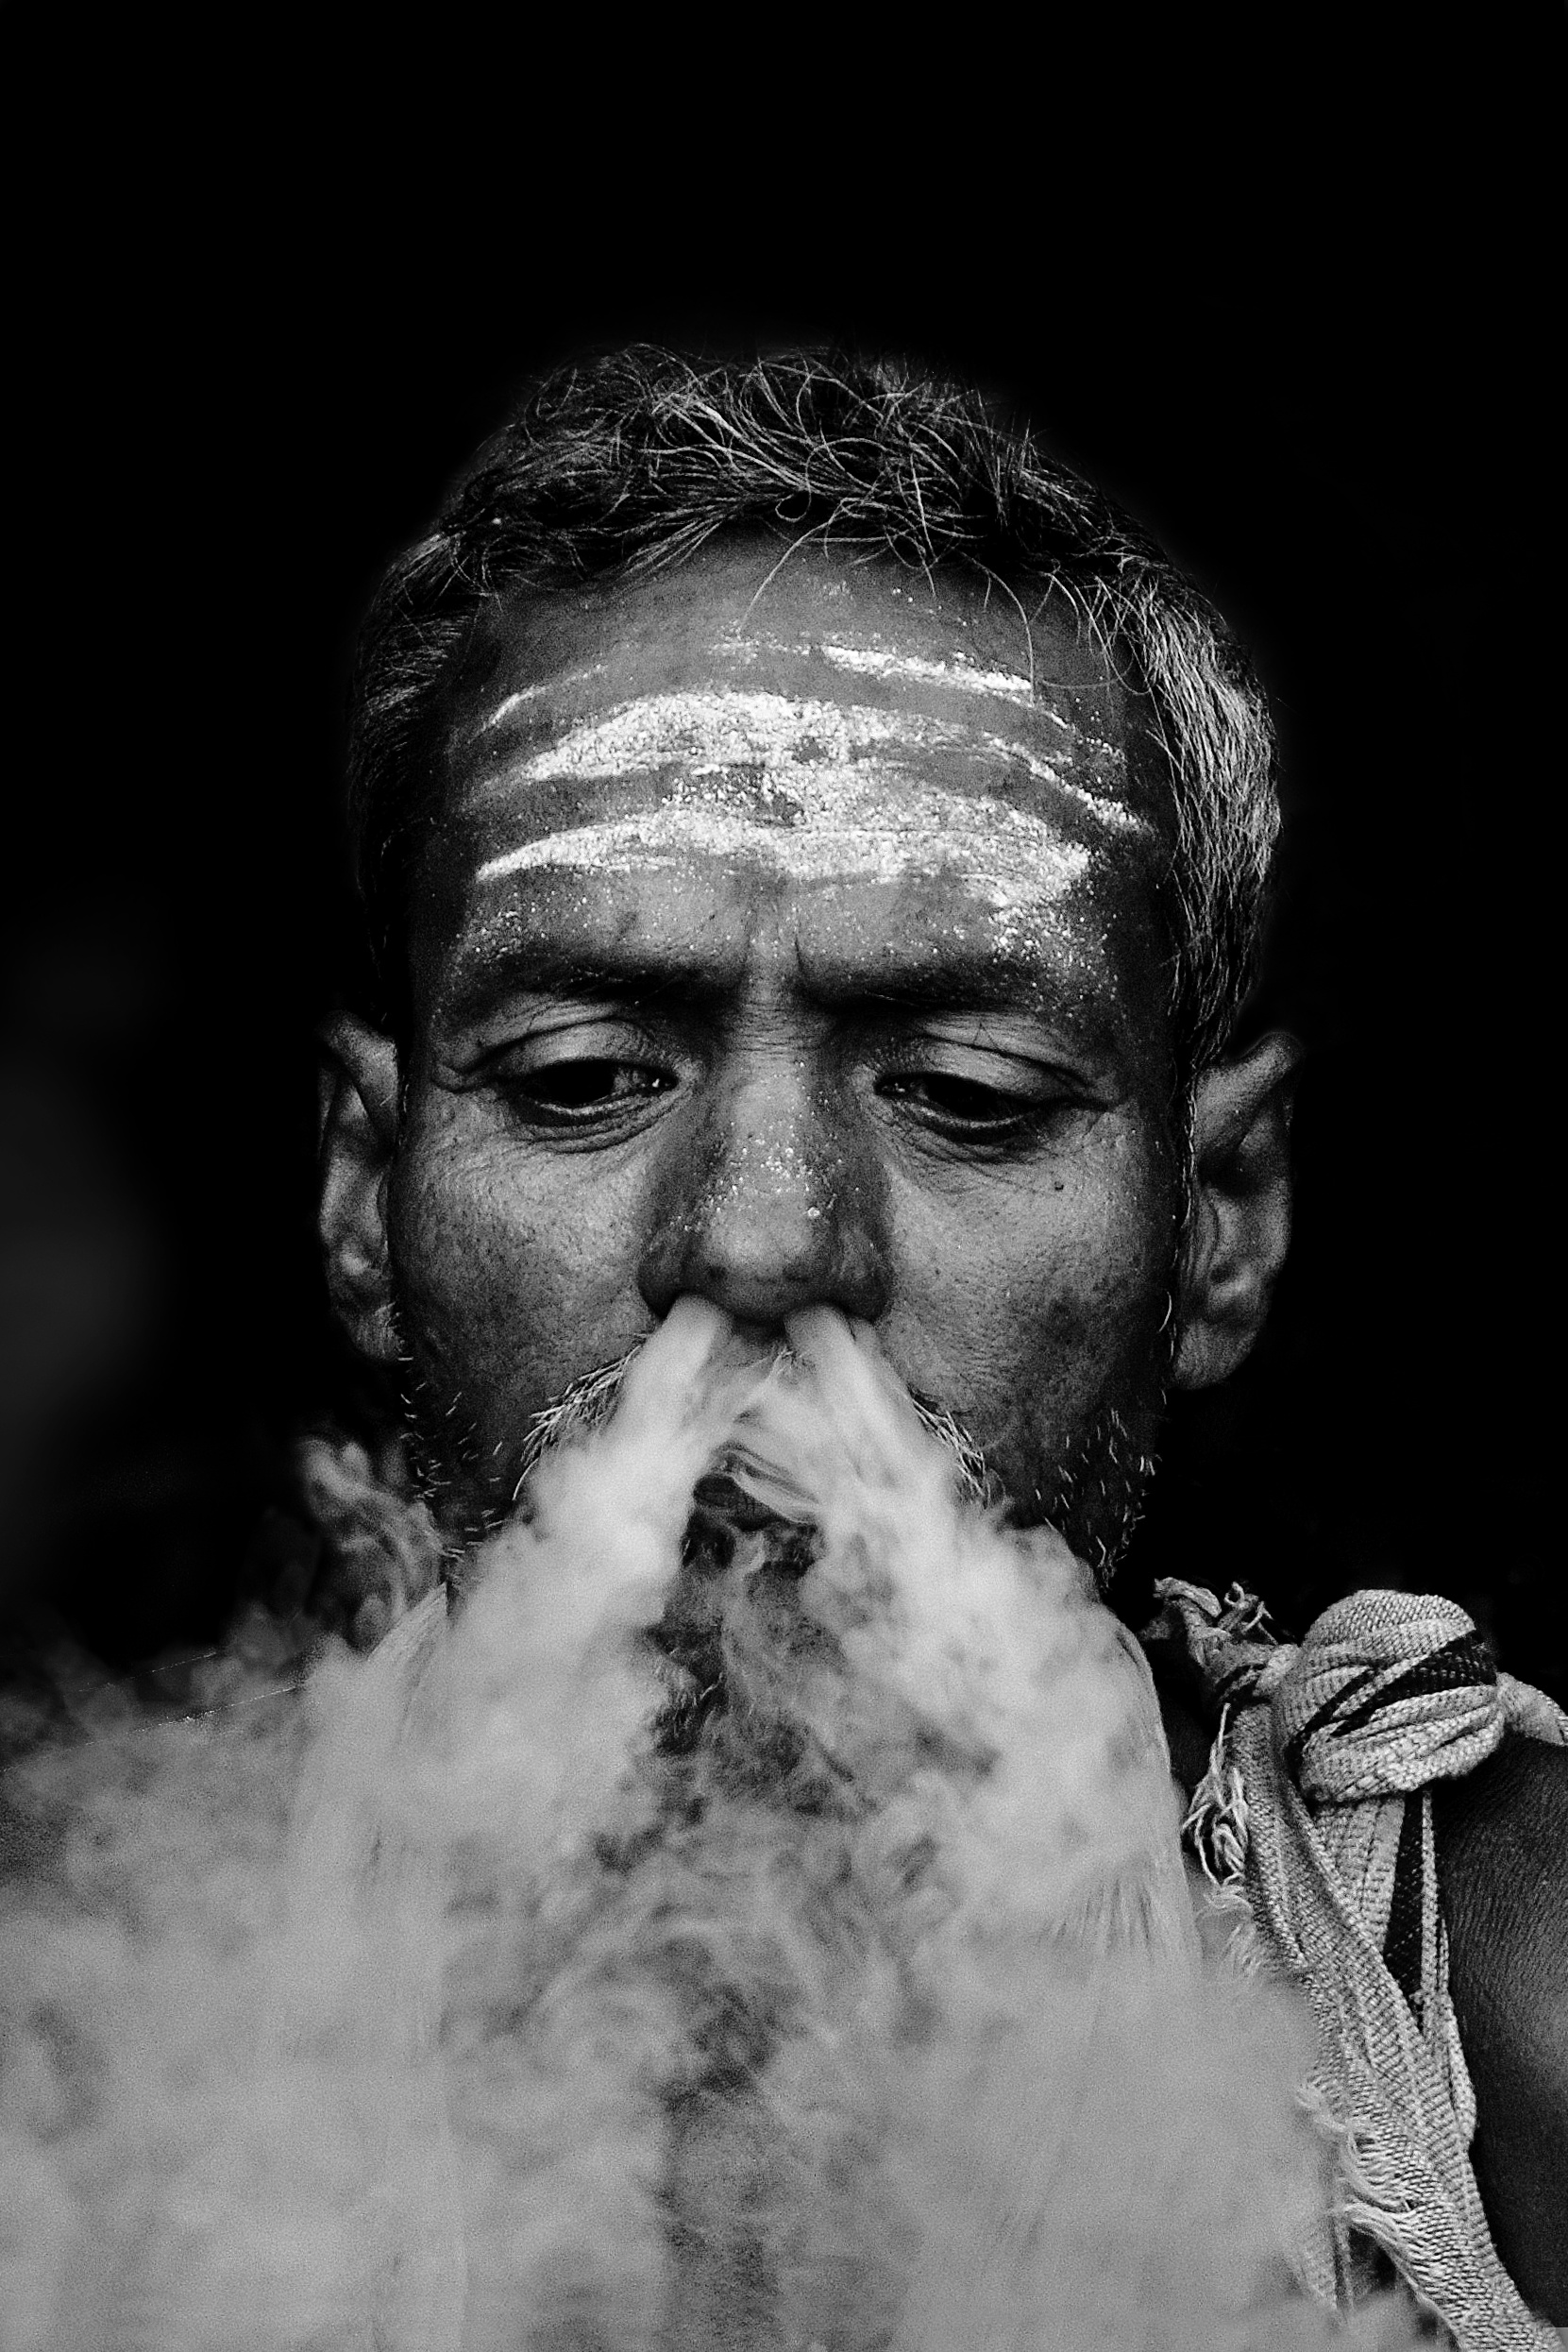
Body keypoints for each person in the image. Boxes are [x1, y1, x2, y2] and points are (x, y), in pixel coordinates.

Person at [314, 348, 1566, 2342]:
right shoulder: (63, 2016)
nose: (761, 1238)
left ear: (1218, 1219)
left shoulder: (1512, 1998)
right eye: (581, 1074)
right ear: (369, 1192)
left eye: (969, 1092)